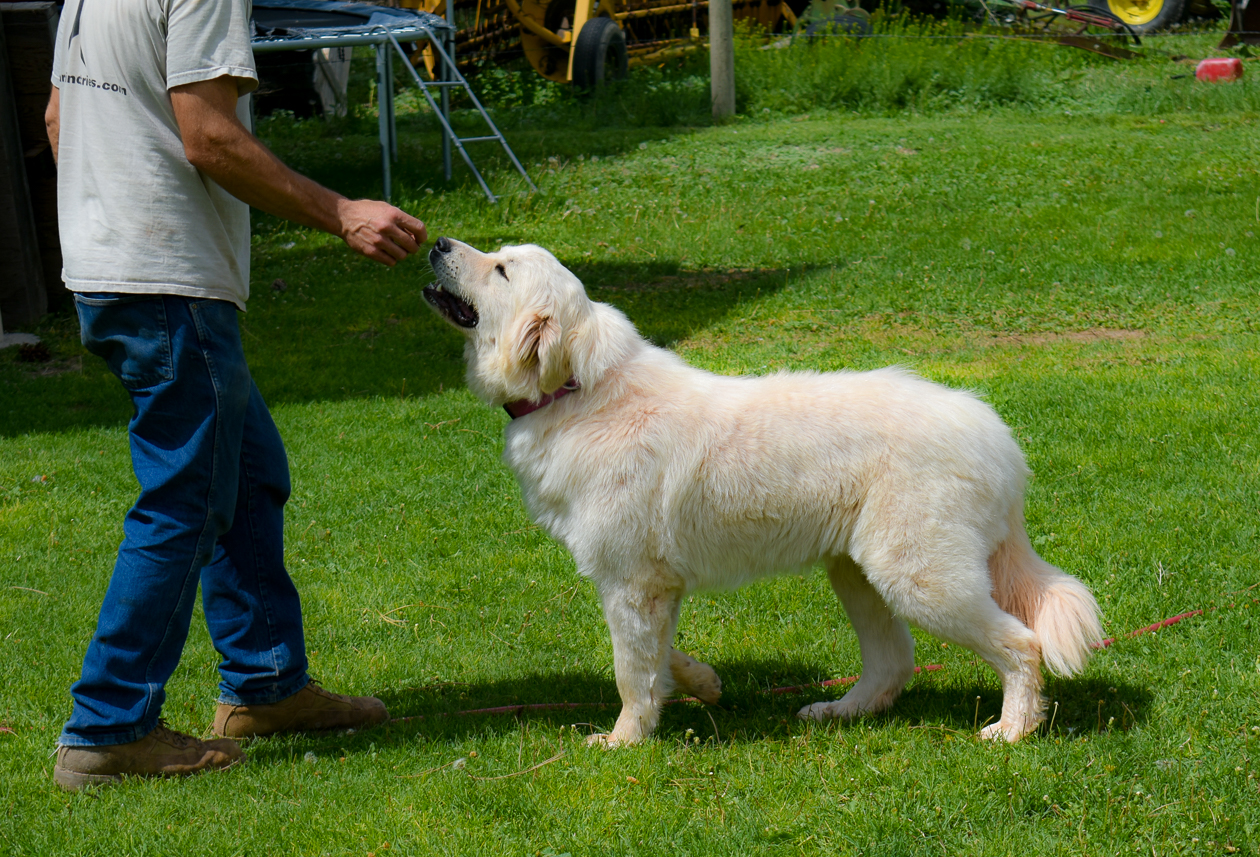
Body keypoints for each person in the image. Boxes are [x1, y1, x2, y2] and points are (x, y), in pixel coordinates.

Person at [44, 0, 428, 792]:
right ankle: (108, 724)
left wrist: (103, 223)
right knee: (185, 498)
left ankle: (267, 684)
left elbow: (59, 117)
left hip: (113, 270)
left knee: (248, 470)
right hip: (165, 281)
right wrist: (343, 212)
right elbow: (207, 132)